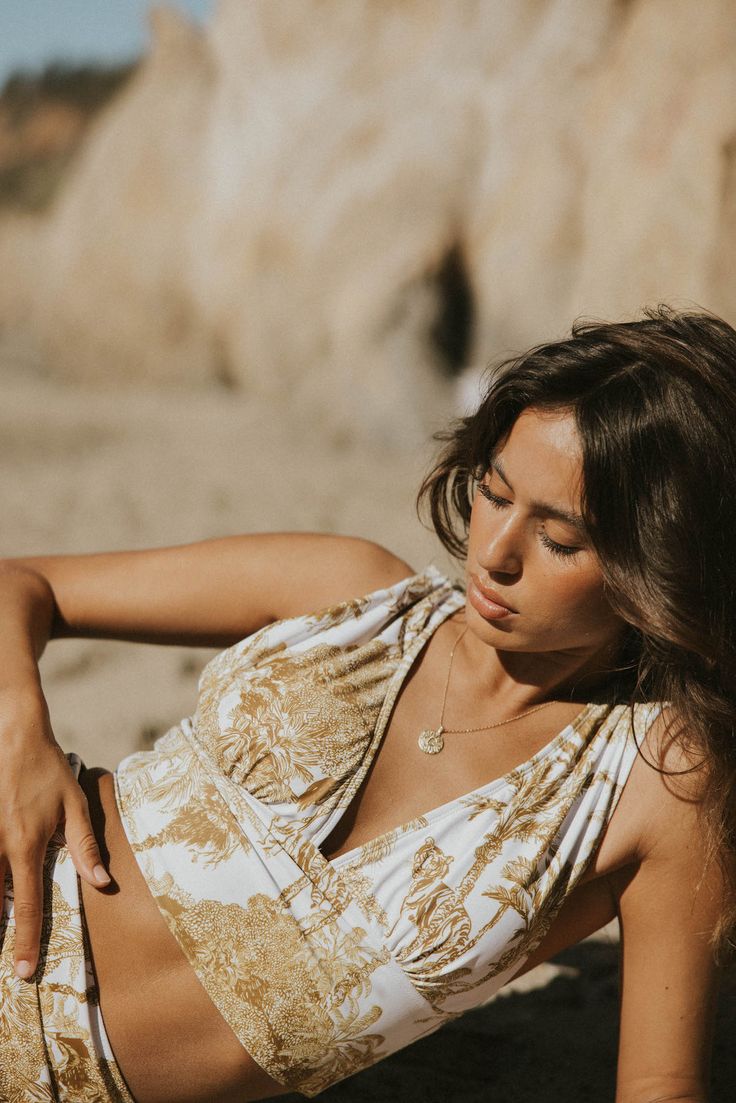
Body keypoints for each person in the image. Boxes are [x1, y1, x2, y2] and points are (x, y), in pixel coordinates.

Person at [0, 305, 734, 1103]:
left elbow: (662, 1083)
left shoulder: (656, 784)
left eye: (560, 540)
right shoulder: (349, 589)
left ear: (661, 563)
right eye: (493, 491)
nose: (493, 553)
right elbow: (19, 586)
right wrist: (21, 738)